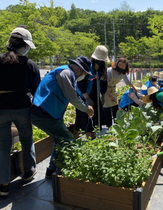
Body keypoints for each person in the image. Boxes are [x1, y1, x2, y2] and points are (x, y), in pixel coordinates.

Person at [31, 55, 94, 178]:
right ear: (80, 69)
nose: (85, 76)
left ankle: (52, 170)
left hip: (48, 113)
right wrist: (86, 109)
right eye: (85, 73)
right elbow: (72, 97)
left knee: (60, 139)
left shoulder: (67, 72)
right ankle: (58, 171)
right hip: (44, 113)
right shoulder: (66, 73)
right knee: (67, 139)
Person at [0, 27, 40, 196]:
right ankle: (28, 172)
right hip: (22, 107)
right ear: (25, 45)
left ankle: (3, 184)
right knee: (26, 138)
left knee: (3, 146)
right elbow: (36, 89)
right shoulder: (29, 65)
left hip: (1, 107)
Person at [75, 45, 109, 137]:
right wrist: (86, 97)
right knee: (85, 119)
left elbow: (104, 83)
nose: (100, 62)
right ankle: (85, 140)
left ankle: (93, 138)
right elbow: (80, 83)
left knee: (95, 120)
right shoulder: (87, 67)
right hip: (84, 96)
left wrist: (103, 94)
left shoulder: (102, 69)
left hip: (95, 96)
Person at [103, 58, 136, 128]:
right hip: (105, 90)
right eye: (119, 65)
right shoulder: (109, 71)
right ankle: (109, 127)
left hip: (113, 89)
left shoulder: (123, 74)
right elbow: (103, 85)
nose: (121, 67)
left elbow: (128, 82)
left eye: (123, 66)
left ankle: (117, 126)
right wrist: (111, 96)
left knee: (115, 108)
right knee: (107, 108)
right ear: (117, 64)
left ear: (125, 67)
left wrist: (135, 89)